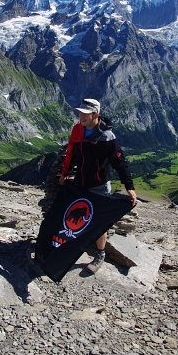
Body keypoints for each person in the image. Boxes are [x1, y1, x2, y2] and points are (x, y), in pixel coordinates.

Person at [59, 98, 137, 273]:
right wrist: (64, 173)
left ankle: (100, 253)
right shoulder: (77, 130)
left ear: (96, 115)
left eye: (85, 113)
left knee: (99, 221)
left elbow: (119, 162)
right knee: (76, 216)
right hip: (80, 183)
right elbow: (71, 152)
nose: (81, 116)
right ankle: (78, 245)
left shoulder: (107, 136)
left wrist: (129, 186)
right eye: (80, 112)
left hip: (99, 186)